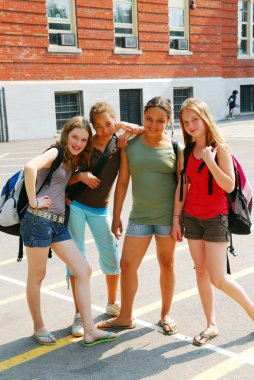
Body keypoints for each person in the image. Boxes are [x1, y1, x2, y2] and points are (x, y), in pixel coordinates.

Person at [20, 116, 118, 347]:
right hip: (37, 221)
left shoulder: (71, 159)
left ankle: (90, 330)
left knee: (83, 270)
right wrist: (33, 201)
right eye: (75, 137)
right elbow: (29, 167)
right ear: (66, 134)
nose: (78, 142)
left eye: (83, 139)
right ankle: (39, 327)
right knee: (37, 276)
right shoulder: (55, 152)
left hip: (56, 223)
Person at [97, 96, 183, 335]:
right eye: (149, 119)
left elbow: (181, 186)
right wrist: (116, 216)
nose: (154, 125)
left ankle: (165, 314)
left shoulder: (176, 147)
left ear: (168, 121)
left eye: (160, 120)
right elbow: (123, 182)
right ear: (143, 118)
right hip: (139, 217)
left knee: (167, 263)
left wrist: (178, 219)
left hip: (167, 218)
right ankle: (125, 316)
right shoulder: (130, 145)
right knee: (126, 264)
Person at [171, 97, 254, 346]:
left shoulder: (220, 148)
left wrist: (209, 161)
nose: (190, 126)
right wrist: (177, 219)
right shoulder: (186, 152)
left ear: (205, 118)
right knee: (201, 272)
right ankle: (211, 325)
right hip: (192, 219)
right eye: (186, 122)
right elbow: (182, 187)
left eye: (195, 120)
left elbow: (228, 184)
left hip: (216, 219)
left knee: (219, 278)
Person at [66, 102, 143, 337]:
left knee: (111, 253)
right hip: (76, 206)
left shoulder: (119, 143)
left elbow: (141, 129)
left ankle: (112, 303)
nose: (104, 130)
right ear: (91, 126)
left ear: (115, 121)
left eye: (108, 124)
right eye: (98, 126)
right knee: (76, 258)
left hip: (100, 209)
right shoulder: (85, 143)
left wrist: (117, 128)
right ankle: (79, 314)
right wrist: (81, 176)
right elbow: (63, 179)